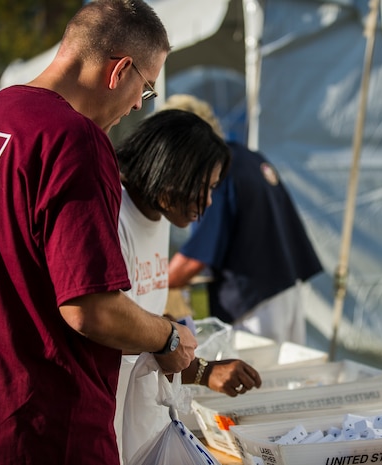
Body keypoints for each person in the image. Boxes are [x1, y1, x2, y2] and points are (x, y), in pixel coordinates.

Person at [0, 2, 197, 464]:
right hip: (43, 431)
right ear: (120, 70)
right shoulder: (71, 138)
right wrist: (167, 337)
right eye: (147, 86)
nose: (140, 104)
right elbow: (88, 307)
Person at [114, 108, 262, 459]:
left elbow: (147, 322)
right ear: (171, 173)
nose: (208, 202)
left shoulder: (160, 217)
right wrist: (199, 366)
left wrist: (204, 370)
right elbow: (109, 326)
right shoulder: (115, 218)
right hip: (109, 420)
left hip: (139, 416)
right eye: (204, 188)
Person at [164, 94, 324, 345]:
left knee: (258, 377)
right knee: (292, 374)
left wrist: (155, 281)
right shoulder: (252, 158)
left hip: (254, 301)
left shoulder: (218, 170)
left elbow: (197, 256)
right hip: (286, 289)